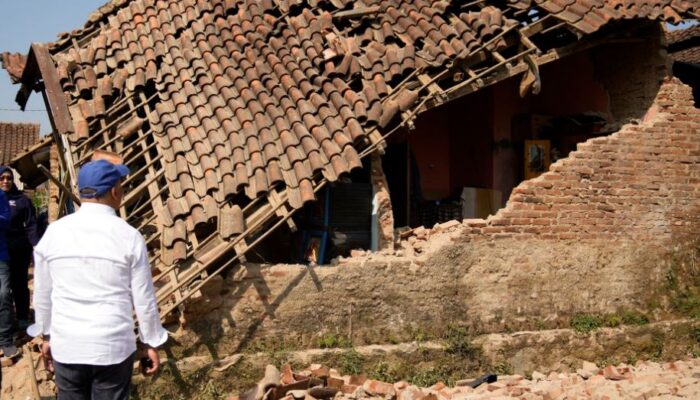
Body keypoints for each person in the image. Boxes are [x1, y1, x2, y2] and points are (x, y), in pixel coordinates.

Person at [28, 160, 167, 400]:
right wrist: (151, 342)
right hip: (111, 347)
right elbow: (144, 298)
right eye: (120, 184)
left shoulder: (54, 233)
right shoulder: (129, 236)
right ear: (114, 191)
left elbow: (42, 293)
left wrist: (47, 335)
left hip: (67, 345)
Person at [0, 166, 39, 331]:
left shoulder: (22, 200)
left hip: (19, 249)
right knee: (3, 288)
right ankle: (5, 321)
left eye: (8, 178)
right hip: (1, 250)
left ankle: (22, 317)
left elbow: (31, 225)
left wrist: (36, 245)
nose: (5, 181)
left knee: (20, 284)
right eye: (2, 178)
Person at [0, 189, 18, 360]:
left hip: (1, 255)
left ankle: (5, 339)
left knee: (4, 294)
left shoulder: (1, 195)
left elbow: (6, 220)